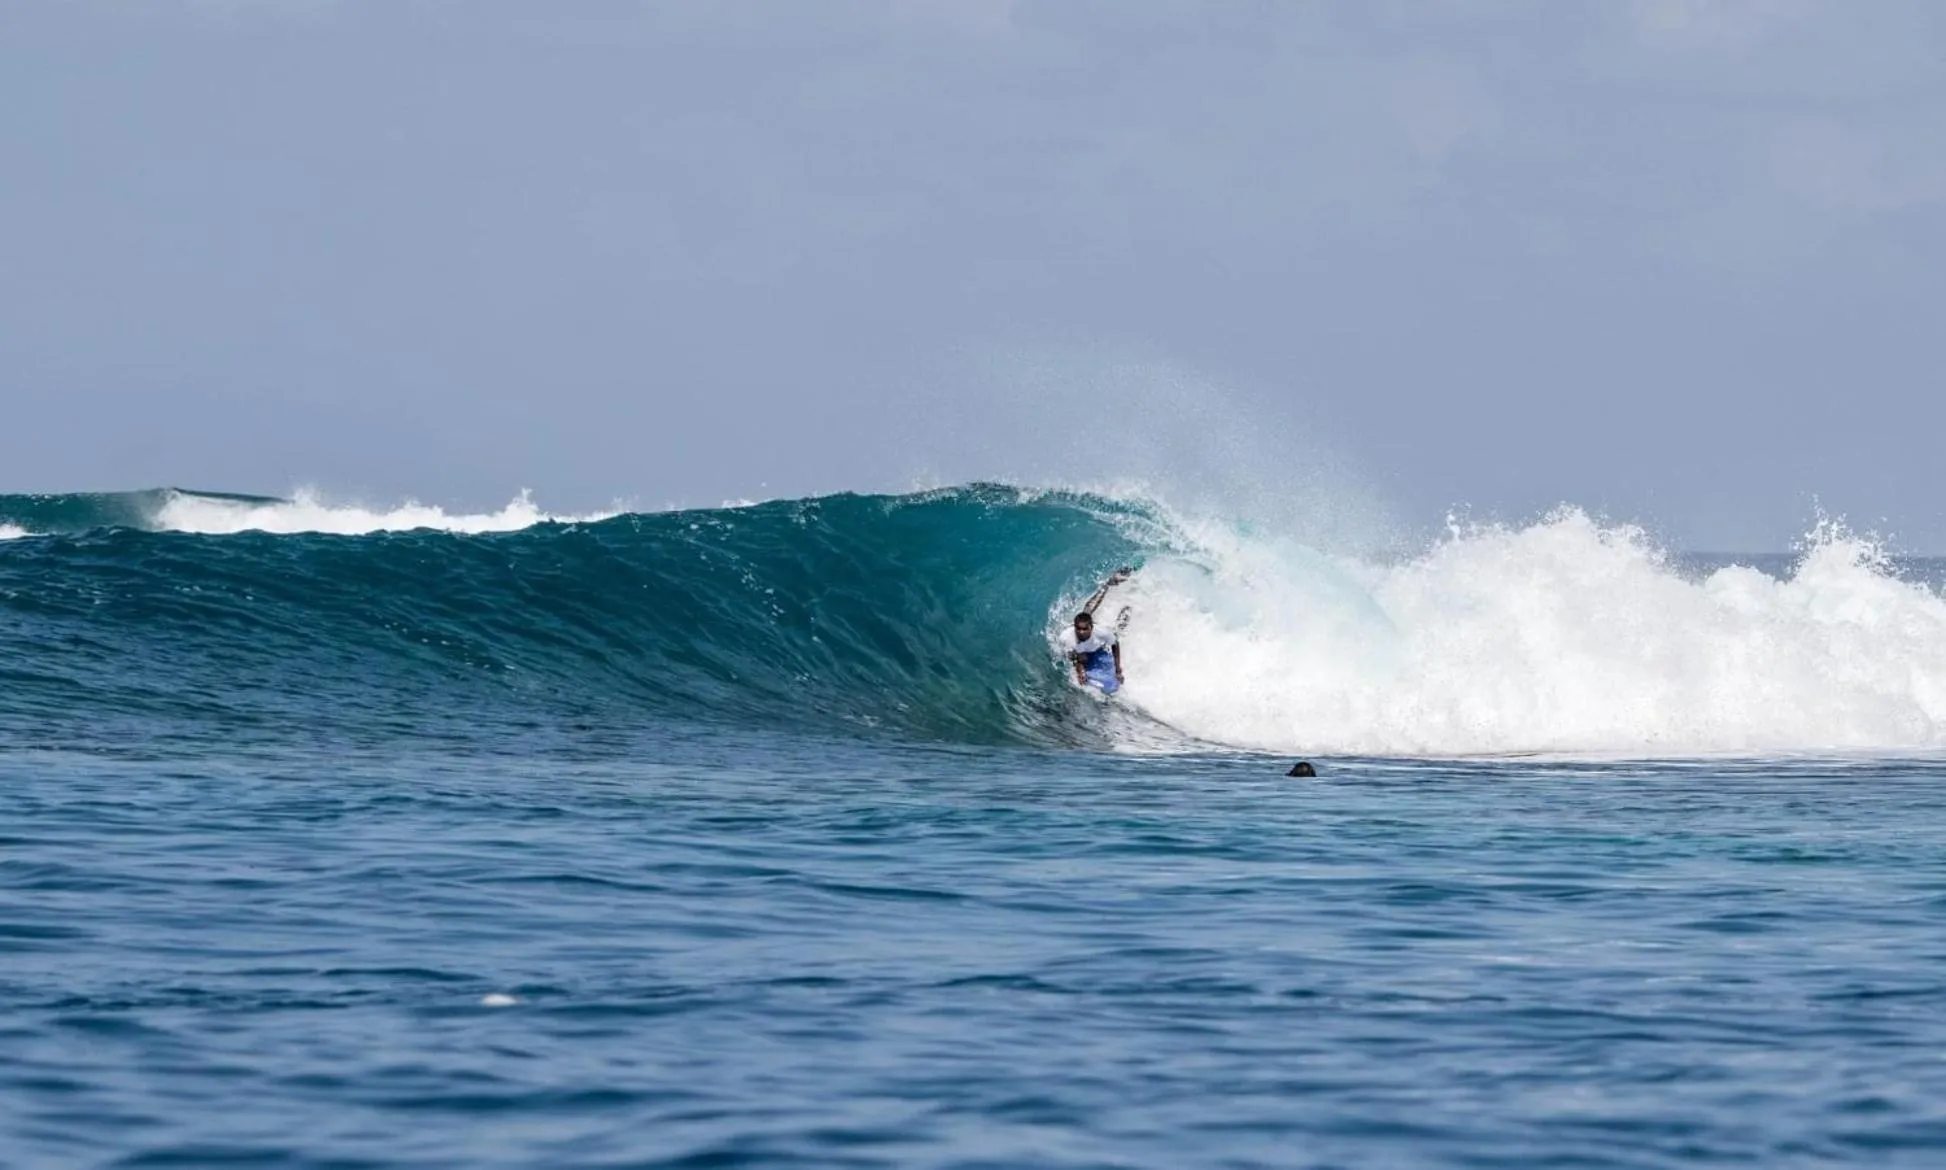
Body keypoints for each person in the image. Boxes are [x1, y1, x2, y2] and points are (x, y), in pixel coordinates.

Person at [1060, 568, 1130, 694]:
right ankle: (1106, 586)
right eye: (1078, 629)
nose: (1081, 632)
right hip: (1083, 647)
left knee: (1115, 631)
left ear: (1091, 628)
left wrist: (1118, 670)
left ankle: (1110, 586)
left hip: (1098, 641)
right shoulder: (1067, 637)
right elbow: (1070, 656)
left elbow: (1115, 644)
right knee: (1084, 615)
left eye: (1084, 629)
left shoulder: (1101, 632)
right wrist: (1079, 668)